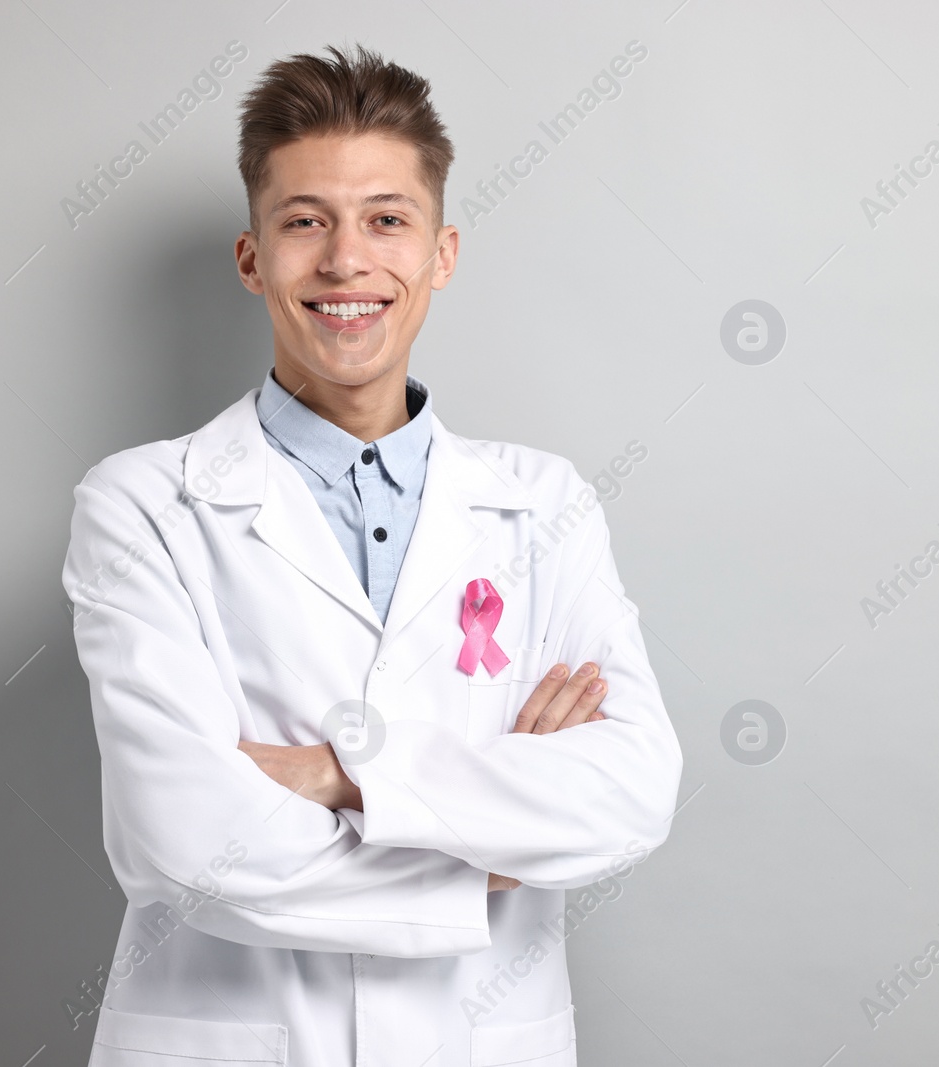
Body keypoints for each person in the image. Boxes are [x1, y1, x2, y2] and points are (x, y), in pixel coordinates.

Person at [61, 43, 682, 1067]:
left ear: (439, 253)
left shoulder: (544, 504)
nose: (347, 261)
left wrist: (340, 775)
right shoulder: (143, 504)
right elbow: (180, 839)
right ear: (253, 257)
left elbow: (629, 788)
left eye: (386, 220)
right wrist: (484, 859)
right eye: (305, 221)